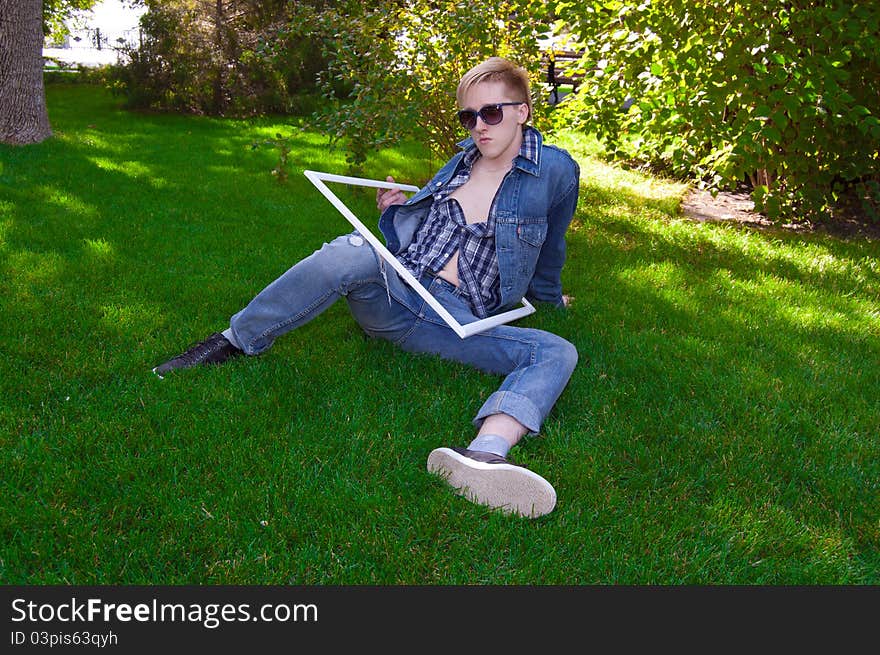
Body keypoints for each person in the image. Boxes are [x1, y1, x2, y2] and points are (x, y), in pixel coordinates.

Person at [154, 57, 580, 518]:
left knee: (557, 351)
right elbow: (419, 237)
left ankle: (484, 456)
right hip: (398, 295)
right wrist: (396, 210)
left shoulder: (555, 171)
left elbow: (551, 242)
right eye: (468, 116)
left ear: (523, 111)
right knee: (351, 248)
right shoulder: (460, 163)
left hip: (455, 321)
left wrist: (549, 297)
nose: (478, 126)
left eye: (491, 113)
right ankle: (233, 341)